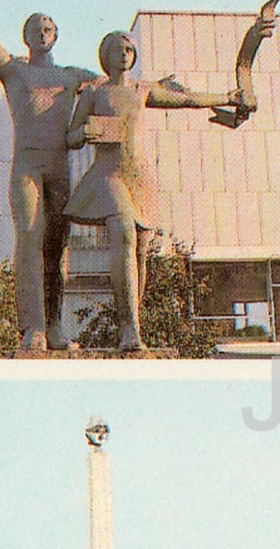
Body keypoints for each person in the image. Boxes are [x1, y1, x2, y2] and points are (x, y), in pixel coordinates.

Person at [66, 31, 250, 352]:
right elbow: (71, 137)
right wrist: (83, 132)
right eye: (117, 49)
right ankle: (129, 329)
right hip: (109, 174)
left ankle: (132, 324)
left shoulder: (142, 89)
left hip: (140, 176)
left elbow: (187, 100)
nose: (124, 54)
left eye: (129, 49)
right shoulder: (95, 91)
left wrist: (226, 98)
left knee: (140, 253)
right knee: (123, 231)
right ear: (105, 55)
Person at [0, 0, 97, 351]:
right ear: (25, 37)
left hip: (59, 166)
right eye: (35, 29)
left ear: (56, 35)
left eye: (48, 29)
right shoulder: (14, 72)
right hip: (27, 165)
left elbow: (121, 88)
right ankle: (33, 327)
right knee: (29, 237)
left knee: (57, 246)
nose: (42, 33)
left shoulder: (72, 76)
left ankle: (54, 325)